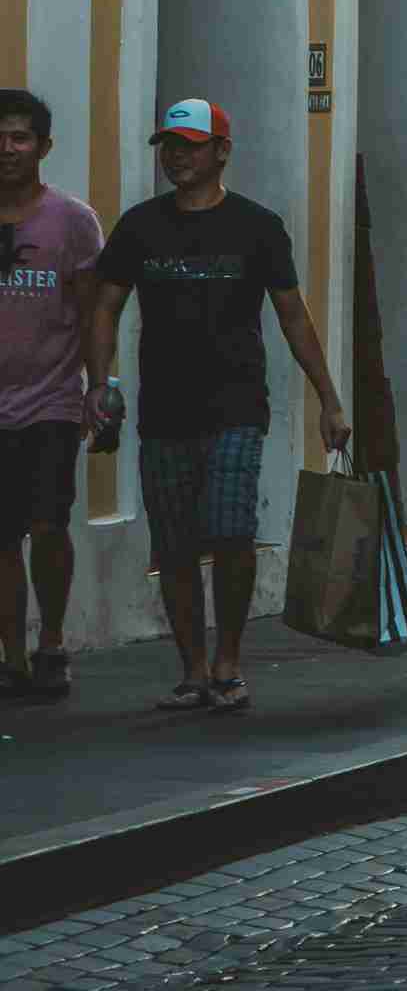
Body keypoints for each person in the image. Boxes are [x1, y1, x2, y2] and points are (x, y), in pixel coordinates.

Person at [89, 100, 349, 714]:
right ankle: (192, 671)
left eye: (191, 145)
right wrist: (98, 383)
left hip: (237, 406)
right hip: (164, 411)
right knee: (174, 542)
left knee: (232, 532)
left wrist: (329, 398)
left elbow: (293, 315)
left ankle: (229, 661)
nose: (177, 156)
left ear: (222, 151)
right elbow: (105, 305)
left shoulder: (258, 226)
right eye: (169, 145)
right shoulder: (140, 226)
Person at [0, 90, 109, 701]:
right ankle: (12, 658)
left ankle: (52, 643)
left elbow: (93, 312)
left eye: (19, 137)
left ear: (43, 146)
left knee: (47, 525)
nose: (7, 148)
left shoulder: (72, 221)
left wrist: (99, 386)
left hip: (52, 401)